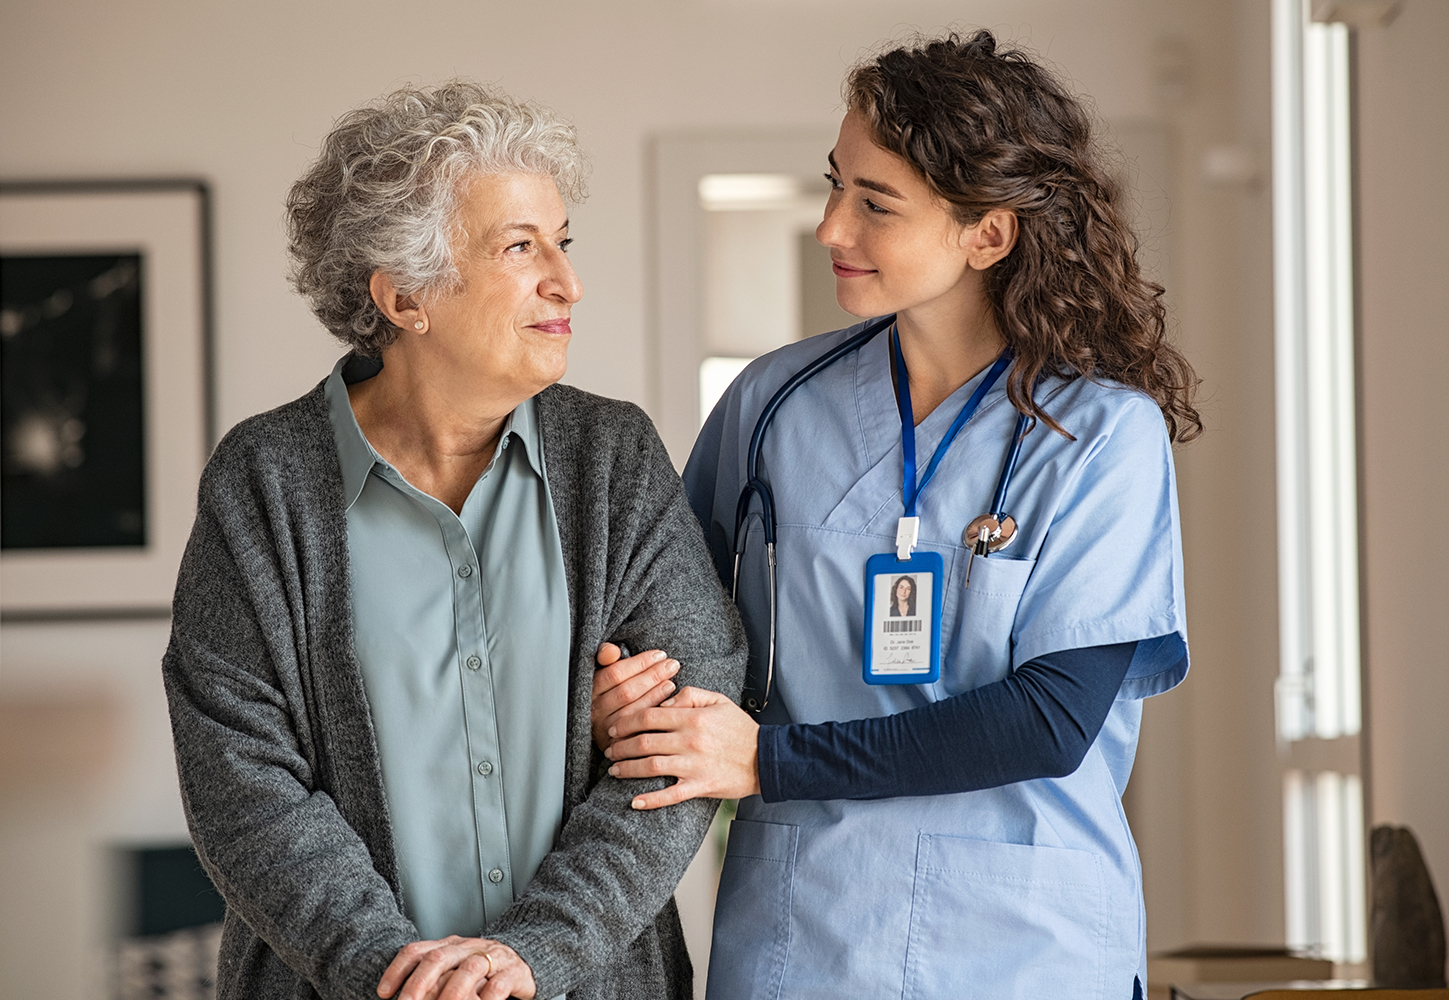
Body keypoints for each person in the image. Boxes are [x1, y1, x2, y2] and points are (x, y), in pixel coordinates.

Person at [592, 32, 1197, 999]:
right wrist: (630, 695)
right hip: (805, 940)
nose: (832, 227)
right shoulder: (771, 405)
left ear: (987, 235)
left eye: (876, 204)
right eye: (837, 186)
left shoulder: (1101, 437)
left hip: (1024, 952)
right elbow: (668, 624)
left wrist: (769, 760)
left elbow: (1049, 719)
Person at [161, 81, 745, 1000]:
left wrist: (536, 952)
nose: (567, 281)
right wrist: (398, 975)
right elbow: (241, 783)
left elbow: (687, 737)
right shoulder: (263, 482)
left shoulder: (613, 457)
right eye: (521, 246)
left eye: (563, 240)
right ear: (404, 296)